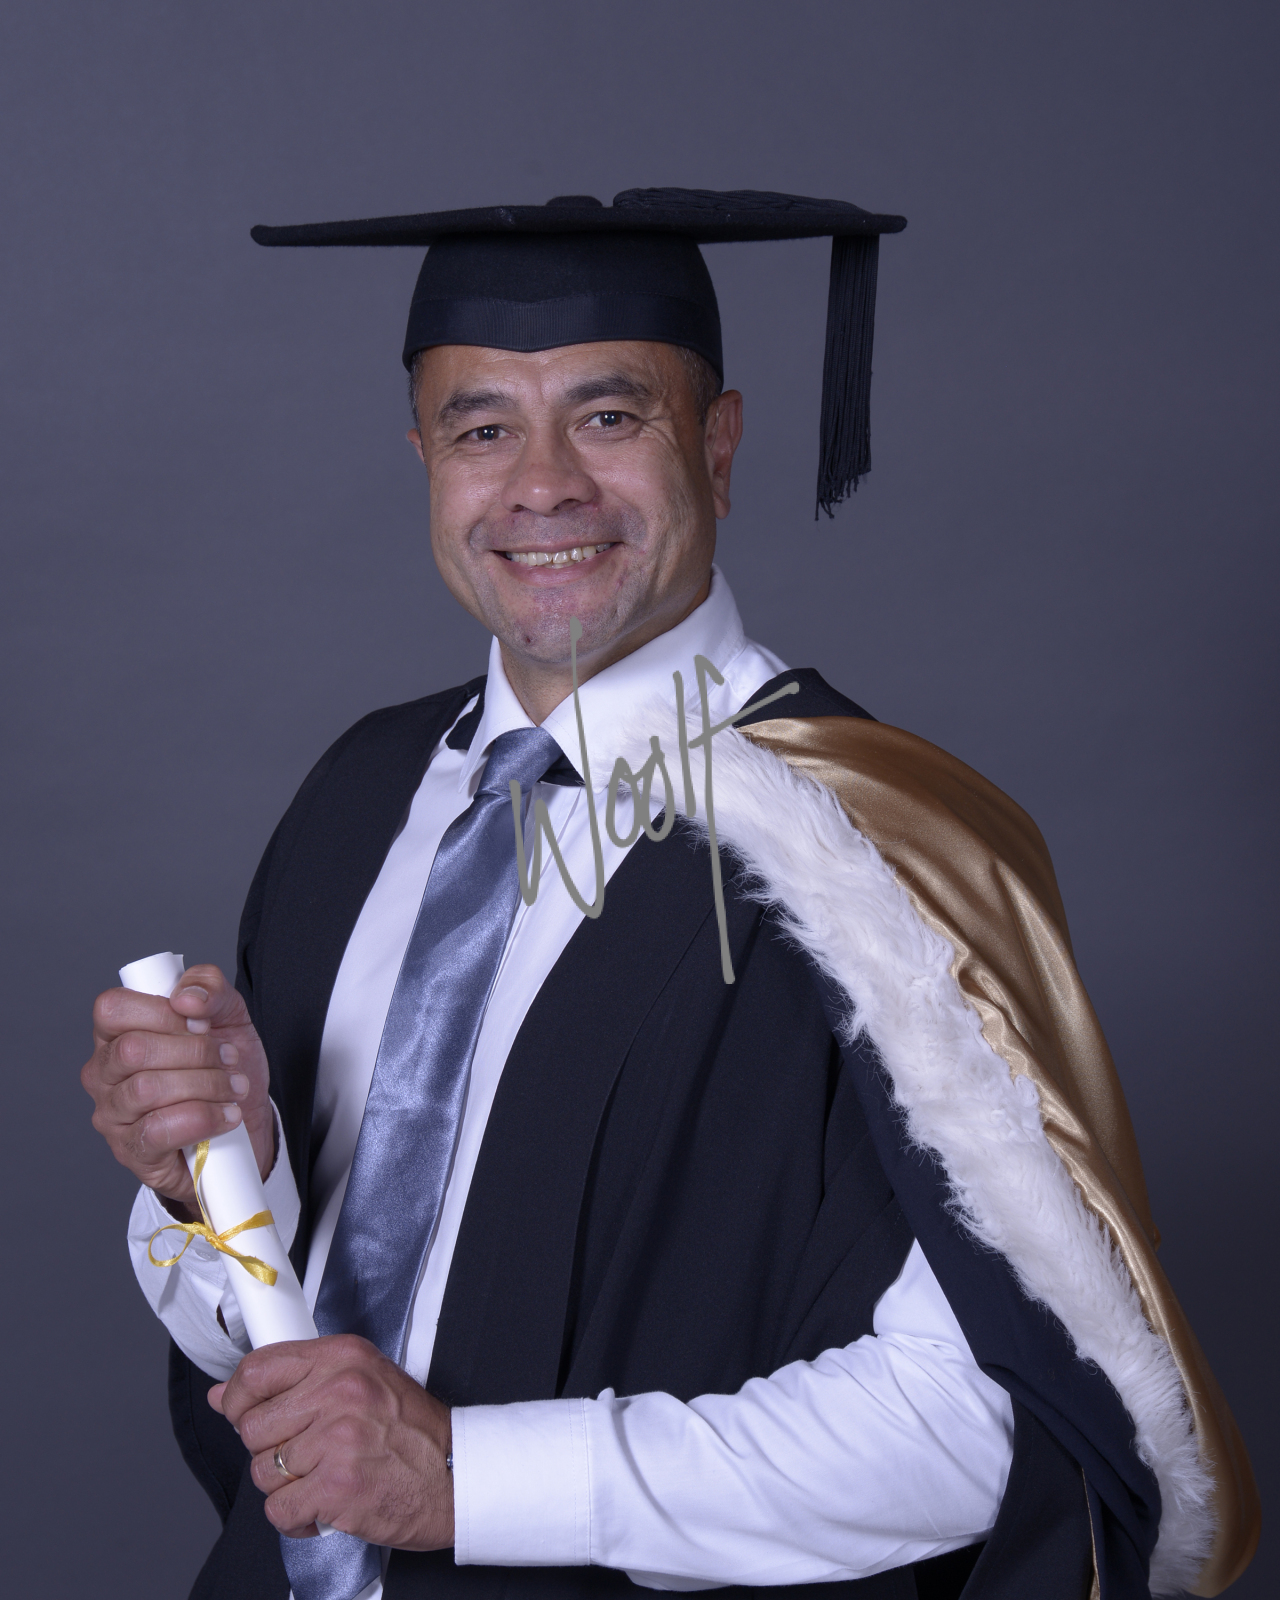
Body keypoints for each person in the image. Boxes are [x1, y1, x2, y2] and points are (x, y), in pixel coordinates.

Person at [82, 190, 1257, 1600]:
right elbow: (266, 1364)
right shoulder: (360, 795)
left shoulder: (875, 863)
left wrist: (465, 1477)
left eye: (608, 416)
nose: (543, 486)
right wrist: (219, 1181)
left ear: (719, 441)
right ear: (423, 459)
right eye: (480, 430)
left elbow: (982, 1425)